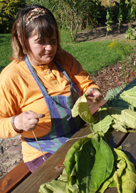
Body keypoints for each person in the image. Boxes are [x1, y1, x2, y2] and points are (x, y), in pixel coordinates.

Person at [0, 5, 103, 172]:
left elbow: (84, 83)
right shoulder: (11, 76)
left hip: (79, 134)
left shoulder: (64, 59)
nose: (49, 47)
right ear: (21, 39)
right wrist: (16, 122)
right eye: (41, 42)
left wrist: (93, 90)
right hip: (44, 152)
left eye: (53, 40)